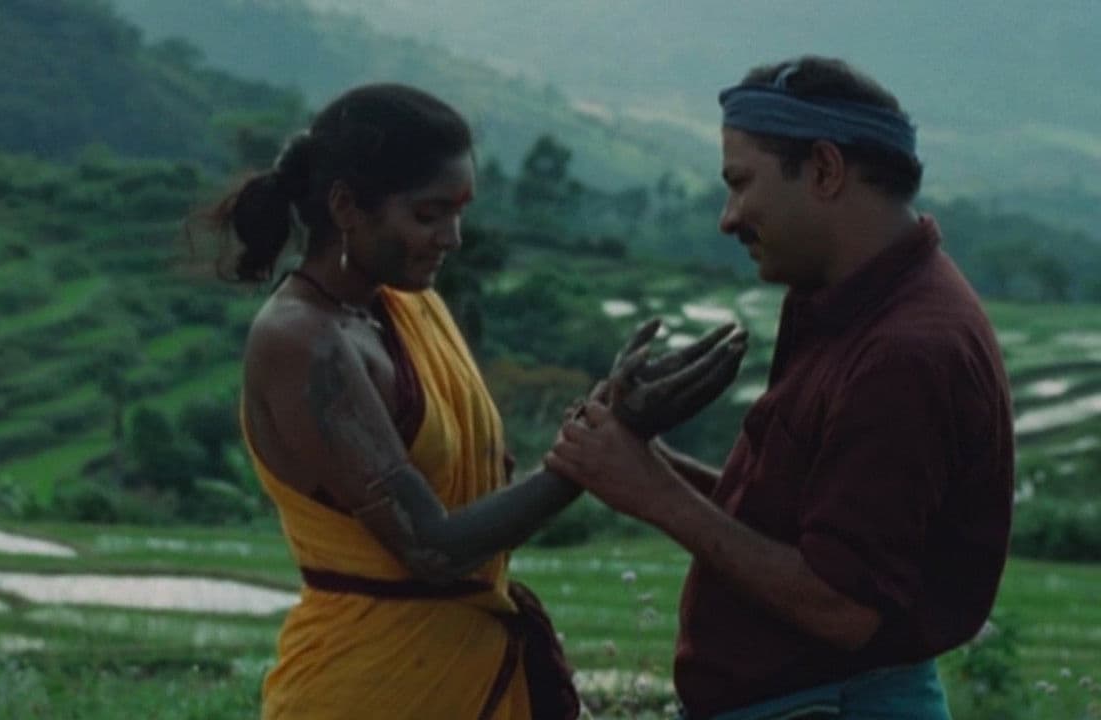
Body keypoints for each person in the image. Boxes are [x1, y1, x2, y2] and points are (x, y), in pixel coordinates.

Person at [201, 83, 746, 719]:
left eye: (458, 212)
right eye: (428, 215)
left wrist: (607, 417)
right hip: (370, 688)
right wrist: (592, 452)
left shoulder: (405, 308)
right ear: (346, 206)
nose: (452, 237)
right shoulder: (302, 342)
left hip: (458, 669)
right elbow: (432, 548)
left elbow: (485, 489)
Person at [546, 57, 1014, 720]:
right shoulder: (852, 306)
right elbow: (802, 527)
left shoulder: (904, 353)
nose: (728, 218)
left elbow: (843, 606)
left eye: (741, 184)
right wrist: (644, 461)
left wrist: (655, 494)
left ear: (823, 170)